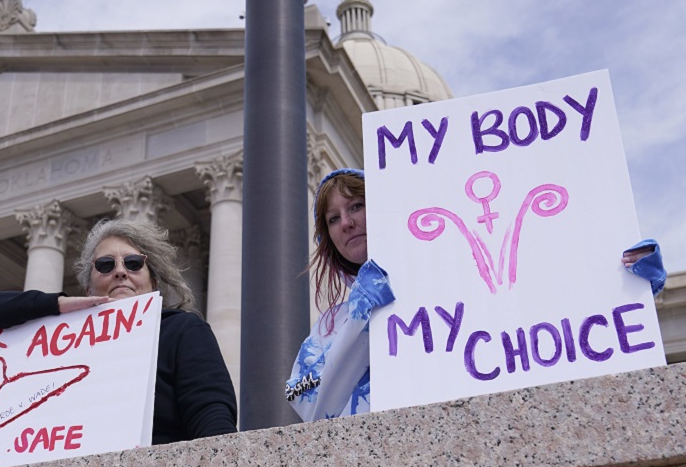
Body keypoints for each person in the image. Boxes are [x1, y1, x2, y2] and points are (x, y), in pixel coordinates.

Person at [285, 168, 667, 422]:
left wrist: (627, 278)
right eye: (333, 218)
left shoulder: (457, 275)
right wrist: (359, 319)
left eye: (356, 206)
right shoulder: (327, 328)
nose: (346, 222)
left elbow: (546, 310)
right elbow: (310, 405)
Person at [0, 218, 237, 444]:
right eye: (105, 265)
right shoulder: (66, 338)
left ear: (153, 282)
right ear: (88, 288)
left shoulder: (180, 330)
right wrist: (55, 305)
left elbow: (210, 415)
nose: (120, 272)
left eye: (133, 263)